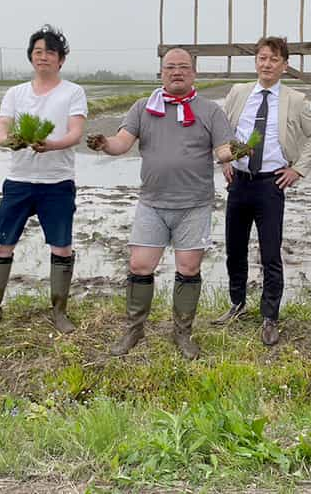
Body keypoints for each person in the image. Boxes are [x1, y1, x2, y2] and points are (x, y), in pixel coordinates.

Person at [88, 48, 237, 359]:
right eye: (170, 67)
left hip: (194, 204)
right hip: (152, 202)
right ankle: (134, 329)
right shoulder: (144, 108)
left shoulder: (210, 111)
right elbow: (122, 143)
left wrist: (235, 152)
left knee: (188, 267)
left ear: (194, 73)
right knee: (140, 265)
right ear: (162, 73)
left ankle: (182, 333)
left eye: (183, 67)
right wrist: (104, 145)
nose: (177, 72)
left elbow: (223, 149)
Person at [0, 25, 87, 340]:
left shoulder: (72, 92)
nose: (43, 57)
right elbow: (0, 130)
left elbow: (75, 133)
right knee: (1, 244)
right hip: (19, 182)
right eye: (37, 51)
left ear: (61, 59)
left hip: (57, 181)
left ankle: (59, 310)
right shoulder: (16, 93)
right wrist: (12, 141)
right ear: (31, 57)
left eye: (50, 52)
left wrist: (53, 144)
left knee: (61, 247)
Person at [212, 36, 311, 346]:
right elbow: (222, 131)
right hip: (239, 182)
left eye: (274, 59)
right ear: (256, 62)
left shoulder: (295, 100)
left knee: (270, 252)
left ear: (284, 66)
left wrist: (297, 169)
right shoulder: (238, 93)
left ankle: (270, 316)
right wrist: (224, 160)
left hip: (270, 184)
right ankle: (237, 303)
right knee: (234, 248)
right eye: (262, 58)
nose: (267, 64)